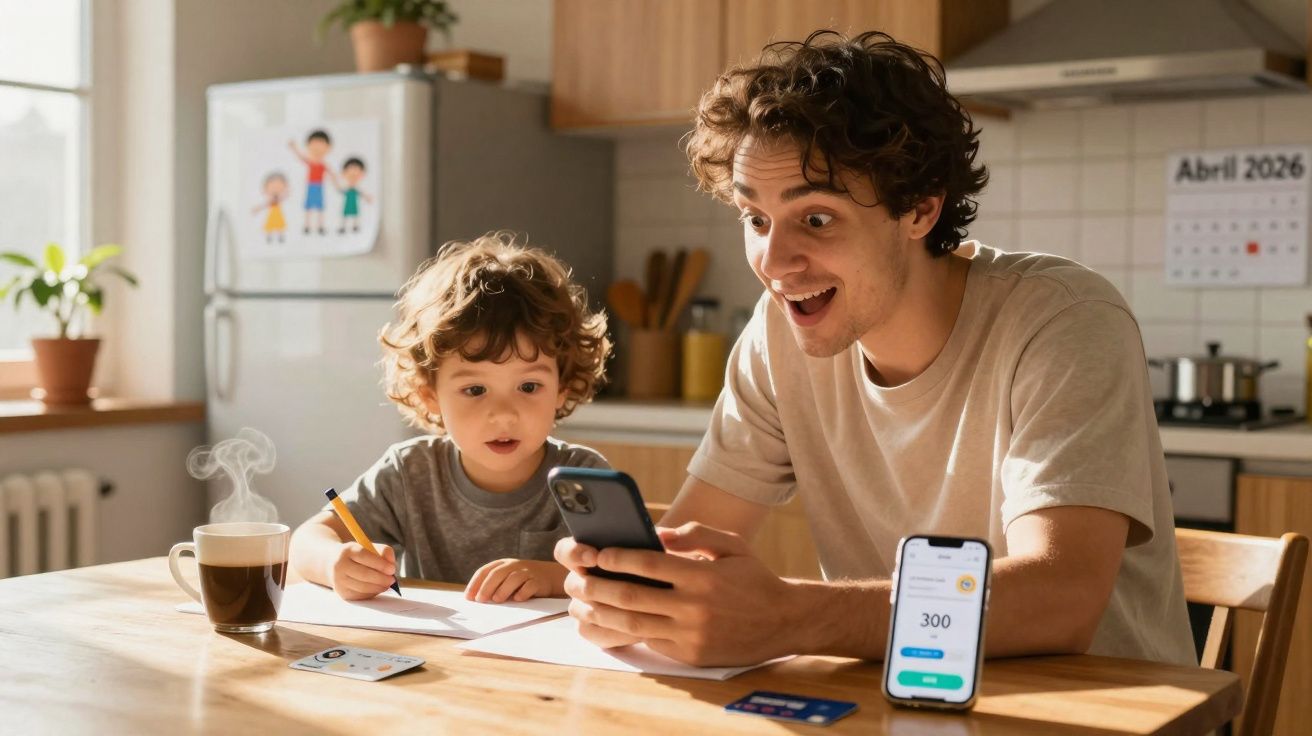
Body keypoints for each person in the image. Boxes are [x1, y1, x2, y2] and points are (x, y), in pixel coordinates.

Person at [555, 31, 1195, 668]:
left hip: (1096, 706)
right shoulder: (778, 334)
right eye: (756, 219)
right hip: (892, 701)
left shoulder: (1064, 319)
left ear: (919, 210)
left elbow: (1060, 599)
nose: (773, 262)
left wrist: (792, 616)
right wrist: (628, 593)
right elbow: (694, 545)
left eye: (816, 219)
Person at [291, 232, 612, 603]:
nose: (503, 414)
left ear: (562, 387)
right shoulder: (410, 473)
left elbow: (624, 572)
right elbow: (306, 541)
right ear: (430, 395)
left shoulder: (585, 477)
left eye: (528, 387)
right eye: (475, 390)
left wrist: (550, 578)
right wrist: (335, 561)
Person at [288, 129, 335, 235]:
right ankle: (307, 225)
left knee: (319, 207)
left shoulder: (323, 165)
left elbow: (332, 174)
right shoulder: (311, 162)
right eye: (314, 145)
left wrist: (336, 180)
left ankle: (320, 225)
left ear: (328, 148)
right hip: (311, 186)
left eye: (321, 145)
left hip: (319, 187)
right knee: (308, 207)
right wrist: (294, 148)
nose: (317, 149)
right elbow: (301, 157)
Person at [336, 157, 373, 234]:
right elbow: (341, 190)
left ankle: (355, 226)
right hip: (348, 203)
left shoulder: (356, 189)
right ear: (344, 173)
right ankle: (343, 226)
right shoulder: (347, 188)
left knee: (355, 214)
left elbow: (361, 194)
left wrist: (367, 198)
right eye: (350, 174)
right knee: (346, 214)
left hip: (354, 203)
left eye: (356, 174)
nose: (353, 176)